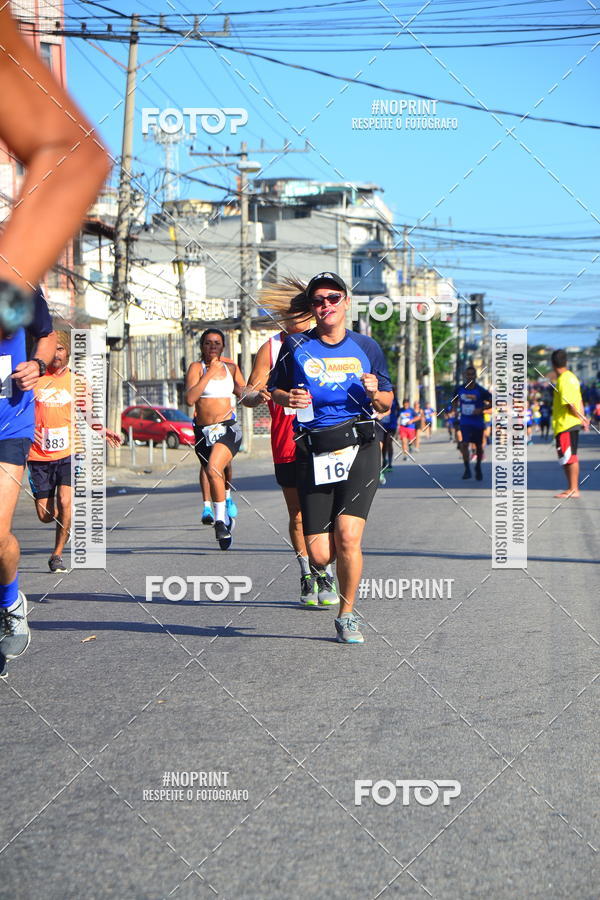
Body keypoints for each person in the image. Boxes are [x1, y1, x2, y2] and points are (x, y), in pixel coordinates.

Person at [0, 8, 110, 675]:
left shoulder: (17, 279)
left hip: (6, 416)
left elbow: (73, 154)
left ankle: (8, 595)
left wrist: (8, 307)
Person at [269, 272, 393, 644]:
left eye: (333, 298)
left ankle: (347, 614)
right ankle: (325, 570)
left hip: (361, 446)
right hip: (316, 450)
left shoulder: (367, 347)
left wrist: (375, 392)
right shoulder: (295, 346)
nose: (326, 305)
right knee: (321, 554)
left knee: (349, 537)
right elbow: (271, 389)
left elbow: (387, 402)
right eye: (319, 300)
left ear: (345, 302)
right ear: (312, 307)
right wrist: (285, 399)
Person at [242, 283, 338, 607]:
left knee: (329, 513)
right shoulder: (270, 348)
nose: (296, 321)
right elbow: (250, 392)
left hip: (323, 439)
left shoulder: (324, 343)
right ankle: (308, 573)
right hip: (286, 442)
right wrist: (256, 395)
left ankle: (324, 567)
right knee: (297, 514)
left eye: (302, 315)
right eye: (290, 316)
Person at [27, 330, 120, 573]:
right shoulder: (34, 378)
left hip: (69, 452)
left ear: (68, 352)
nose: (56, 354)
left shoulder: (77, 381)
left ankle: (56, 554)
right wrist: (28, 431)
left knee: (66, 502)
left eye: (60, 349)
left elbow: (88, 412)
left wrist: (103, 430)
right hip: (38, 455)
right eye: (52, 349)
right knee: (46, 515)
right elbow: (19, 412)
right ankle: (63, 524)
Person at [185, 329, 246, 549]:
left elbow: (244, 393)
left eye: (217, 343)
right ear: (202, 346)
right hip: (203, 432)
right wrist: (209, 373)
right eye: (208, 343)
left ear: (223, 347)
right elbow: (191, 398)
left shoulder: (231, 368)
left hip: (228, 428)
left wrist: (258, 395)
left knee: (214, 468)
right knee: (213, 474)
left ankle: (220, 520)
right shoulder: (196, 368)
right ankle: (225, 519)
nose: (213, 346)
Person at [551, 349, 589, 499]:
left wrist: (581, 418)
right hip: (570, 423)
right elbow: (579, 400)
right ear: (566, 362)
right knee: (567, 457)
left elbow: (570, 404)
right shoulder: (572, 377)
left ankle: (573, 489)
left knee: (570, 457)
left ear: (553, 363)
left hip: (566, 424)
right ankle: (571, 488)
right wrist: (583, 417)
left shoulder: (564, 380)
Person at [456, 366, 492, 481]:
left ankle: (478, 467)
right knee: (464, 444)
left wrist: (481, 409)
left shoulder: (480, 390)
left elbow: (493, 401)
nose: (470, 377)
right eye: (468, 374)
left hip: (477, 422)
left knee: (478, 446)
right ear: (465, 376)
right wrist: (454, 411)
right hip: (465, 421)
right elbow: (453, 401)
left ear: (475, 376)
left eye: (472, 374)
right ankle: (467, 469)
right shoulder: (459, 389)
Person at [378, 393, 400, 480]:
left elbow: (398, 410)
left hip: (391, 425)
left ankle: (390, 463)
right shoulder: (380, 396)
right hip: (382, 424)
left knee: (388, 442)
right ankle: (384, 461)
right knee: (382, 443)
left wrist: (394, 418)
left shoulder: (394, 400)